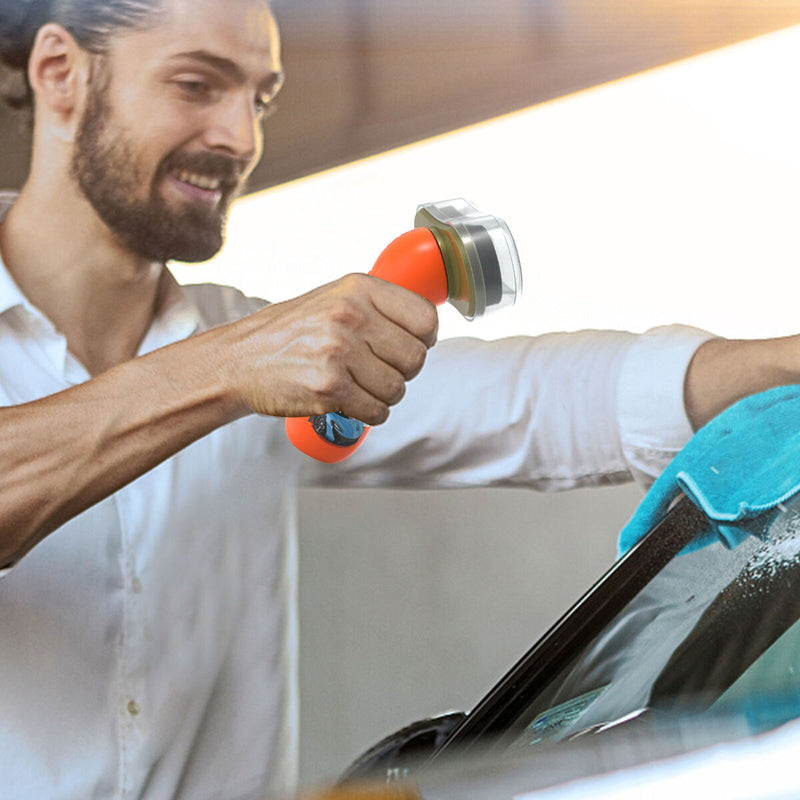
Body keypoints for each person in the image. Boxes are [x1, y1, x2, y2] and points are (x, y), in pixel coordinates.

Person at [0, 0, 798, 798]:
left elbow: (548, 400)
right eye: (197, 85)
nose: (240, 137)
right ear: (60, 73)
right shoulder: (246, 355)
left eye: (260, 100)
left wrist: (783, 362)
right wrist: (226, 367)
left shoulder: (260, 352)